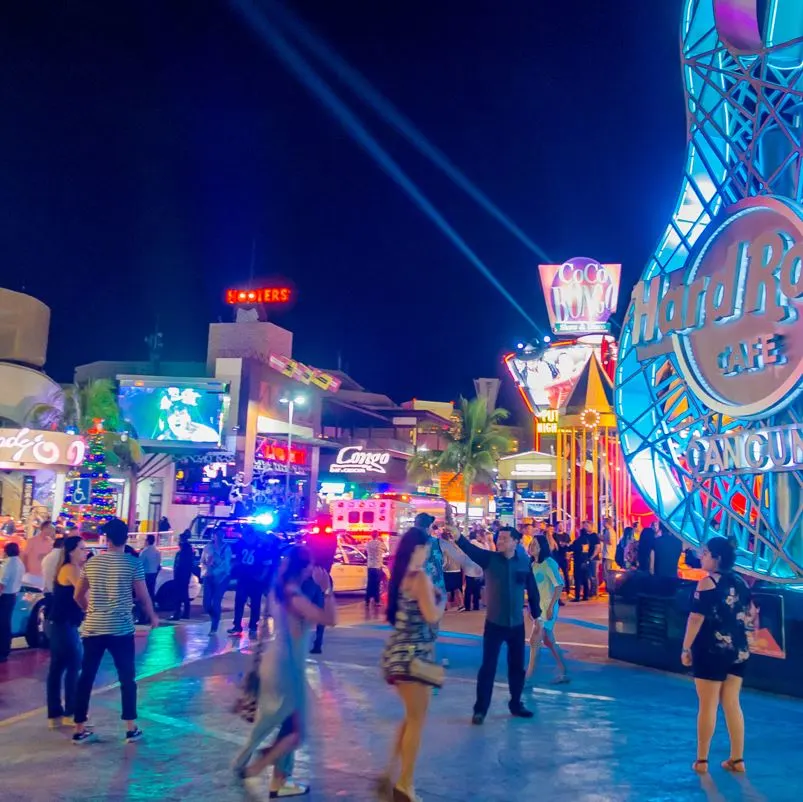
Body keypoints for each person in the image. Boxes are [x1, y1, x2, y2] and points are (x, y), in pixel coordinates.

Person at [233, 546, 336, 793]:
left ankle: (278, 780)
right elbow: (330, 619)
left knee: (279, 721)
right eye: (310, 564)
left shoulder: (279, 589)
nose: (313, 568)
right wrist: (327, 589)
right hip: (287, 667)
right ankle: (256, 766)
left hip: (276, 660)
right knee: (297, 731)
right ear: (303, 568)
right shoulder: (294, 597)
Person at [72, 518, 159, 744]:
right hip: (121, 629)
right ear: (125, 538)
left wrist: (89, 610)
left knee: (86, 677)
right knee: (127, 678)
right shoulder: (132, 563)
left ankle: (79, 728)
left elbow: (78, 596)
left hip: (93, 628)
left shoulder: (91, 564)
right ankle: (131, 727)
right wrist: (152, 616)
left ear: (107, 539)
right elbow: (142, 595)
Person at [445, 526, 540, 724]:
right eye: (499, 538)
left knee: (516, 667)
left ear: (515, 541)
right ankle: (480, 710)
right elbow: (471, 550)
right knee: (488, 667)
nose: (500, 542)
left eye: (505, 539)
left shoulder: (524, 562)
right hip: (494, 623)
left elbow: (531, 586)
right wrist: (458, 537)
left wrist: (536, 610)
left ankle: (516, 703)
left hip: (516, 624)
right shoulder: (490, 559)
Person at [379, 527, 445, 802]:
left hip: (397, 655)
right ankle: (405, 784)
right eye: (426, 547)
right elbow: (431, 616)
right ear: (418, 549)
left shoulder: (400, 577)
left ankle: (390, 773)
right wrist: (441, 603)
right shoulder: (419, 578)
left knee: (410, 719)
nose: (428, 552)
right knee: (417, 721)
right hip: (415, 658)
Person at [681, 537, 752, 774]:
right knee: (732, 703)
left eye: (706, 553)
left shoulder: (707, 583)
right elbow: (750, 613)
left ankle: (702, 761)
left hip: (711, 650)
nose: (702, 556)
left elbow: (695, 618)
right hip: (738, 650)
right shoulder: (741, 582)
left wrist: (686, 647)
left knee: (708, 705)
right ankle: (737, 759)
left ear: (717, 558)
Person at [46, 535, 88, 727]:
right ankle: (71, 712)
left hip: (58, 624)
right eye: (81, 548)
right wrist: (89, 610)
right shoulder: (71, 569)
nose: (85, 552)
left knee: (58, 668)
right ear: (71, 551)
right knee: (73, 666)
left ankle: (55, 715)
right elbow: (82, 594)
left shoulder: (67, 568)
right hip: (64, 625)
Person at [527, 535, 569, 684]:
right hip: (539, 608)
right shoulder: (532, 565)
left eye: (535, 544)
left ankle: (529, 678)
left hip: (548, 607)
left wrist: (551, 606)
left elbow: (559, 585)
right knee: (549, 641)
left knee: (535, 641)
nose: (532, 546)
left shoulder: (549, 563)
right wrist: (530, 607)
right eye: (531, 543)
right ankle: (564, 672)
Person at [229, 526, 269, 637]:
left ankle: (253, 626)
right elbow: (236, 559)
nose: (244, 537)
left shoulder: (261, 546)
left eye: (246, 534)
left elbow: (266, 564)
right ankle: (237, 625)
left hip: (256, 579)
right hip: (243, 577)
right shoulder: (240, 544)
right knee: (239, 602)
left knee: (255, 603)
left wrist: (262, 577)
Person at [307, 527, 338, 654]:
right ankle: (318, 642)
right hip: (324, 576)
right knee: (322, 609)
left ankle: (309, 641)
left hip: (312, 576)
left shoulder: (311, 538)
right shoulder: (332, 538)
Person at [201, 527, 232, 634]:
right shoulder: (208, 547)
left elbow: (227, 566)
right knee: (206, 604)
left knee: (216, 601)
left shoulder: (226, 548)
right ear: (213, 536)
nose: (219, 537)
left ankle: (214, 626)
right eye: (217, 535)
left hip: (221, 578)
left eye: (221, 535)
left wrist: (221, 575)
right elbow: (203, 562)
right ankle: (214, 616)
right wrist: (206, 570)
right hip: (208, 577)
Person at [0, 541, 24, 662]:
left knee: (2, 624)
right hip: (13, 595)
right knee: (5, 623)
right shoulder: (19, 563)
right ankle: (5, 650)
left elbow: (2, 583)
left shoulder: (8, 563)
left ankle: (2, 651)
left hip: (5, 597)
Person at [171, 530, 194, 621]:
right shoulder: (188, 551)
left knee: (179, 595)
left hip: (181, 575)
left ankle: (177, 613)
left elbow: (180, 565)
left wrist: (177, 574)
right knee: (184, 594)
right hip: (184, 575)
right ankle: (185, 613)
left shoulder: (183, 552)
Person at [462, 531, 485, 612]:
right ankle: (476, 606)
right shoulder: (481, 545)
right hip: (478, 569)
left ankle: (467, 606)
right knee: (476, 589)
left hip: (469, 570)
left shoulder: (466, 546)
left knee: (468, 589)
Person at [365, 530, 387, 612]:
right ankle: (376, 601)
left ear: (371, 535)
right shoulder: (380, 543)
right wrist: (382, 540)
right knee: (377, 584)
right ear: (377, 535)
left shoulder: (368, 543)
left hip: (370, 566)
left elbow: (366, 552)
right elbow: (386, 550)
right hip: (377, 566)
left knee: (369, 583)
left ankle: (367, 601)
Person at [570, 528, 593, 601]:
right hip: (585, 561)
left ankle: (577, 596)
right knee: (585, 579)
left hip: (578, 562)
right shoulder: (587, 541)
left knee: (578, 579)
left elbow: (572, 548)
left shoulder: (578, 541)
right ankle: (585, 596)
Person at [139, 534, 162, 604]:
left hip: (146, 574)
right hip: (154, 573)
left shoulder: (145, 552)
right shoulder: (157, 551)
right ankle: (152, 605)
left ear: (147, 541)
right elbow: (158, 563)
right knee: (151, 590)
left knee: (144, 592)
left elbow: (139, 563)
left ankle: (145, 607)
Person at [584, 521, 602, 597]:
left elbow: (597, 547)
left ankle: (595, 592)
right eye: (585, 526)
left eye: (587, 526)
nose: (586, 527)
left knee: (594, 575)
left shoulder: (595, 536)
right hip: (586, 558)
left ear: (591, 526)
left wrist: (592, 556)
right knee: (588, 575)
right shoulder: (584, 536)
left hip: (594, 558)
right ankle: (589, 591)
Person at [601, 517, 618, 591]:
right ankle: (608, 587)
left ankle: (609, 588)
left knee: (607, 573)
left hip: (608, 555)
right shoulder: (608, 531)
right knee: (606, 573)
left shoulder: (610, 531)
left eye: (603, 522)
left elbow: (610, 542)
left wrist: (601, 538)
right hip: (607, 554)